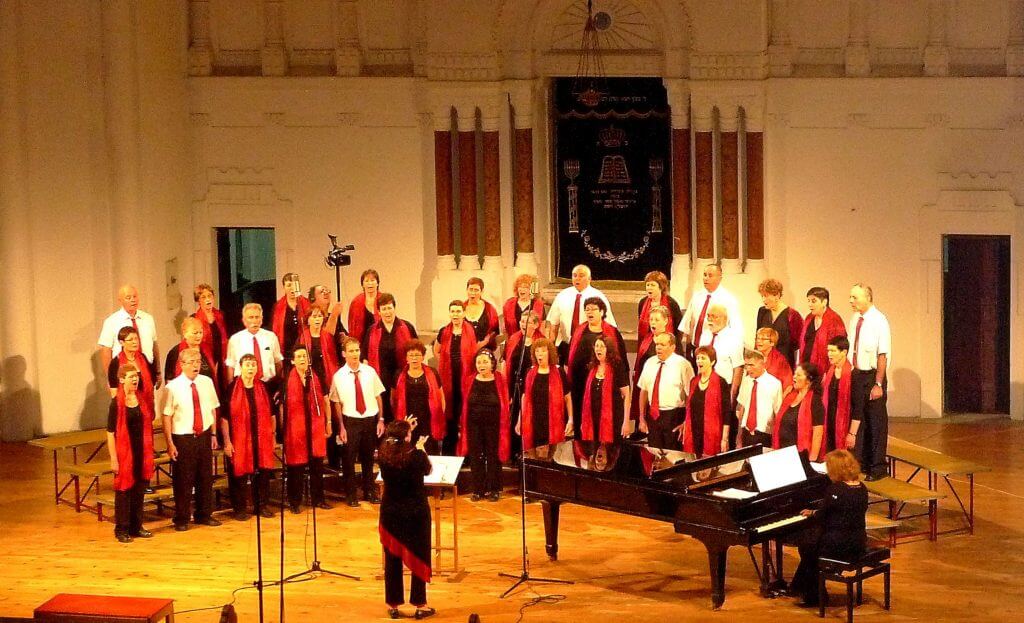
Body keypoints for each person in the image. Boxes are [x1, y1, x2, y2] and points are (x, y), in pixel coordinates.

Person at [788, 449, 868, 608]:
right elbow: (840, 510)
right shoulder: (862, 488)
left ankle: (815, 596)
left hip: (839, 545)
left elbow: (822, 516)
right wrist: (817, 512)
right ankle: (801, 587)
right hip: (858, 540)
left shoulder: (836, 489)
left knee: (807, 548)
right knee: (809, 548)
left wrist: (812, 514)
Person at [378, 419, 435, 620]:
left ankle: (393, 604)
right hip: (415, 513)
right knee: (419, 555)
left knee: (392, 559)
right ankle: (420, 604)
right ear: (407, 438)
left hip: (391, 513)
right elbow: (428, 470)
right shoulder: (417, 456)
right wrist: (420, 448)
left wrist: (404, 428)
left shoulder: (384, 456)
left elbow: (396, 443)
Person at [162, 348, 221, 531]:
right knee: (184, 480)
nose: (196, 365)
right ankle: (181, 518)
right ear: (182, 364)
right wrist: (170, 443)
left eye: (198, 361)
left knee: (205, 477)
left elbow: (212, 409)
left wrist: (213, 434)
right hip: (183, 437)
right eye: (192, 362)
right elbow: (166, 416)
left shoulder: (207, 382)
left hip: (203, 434)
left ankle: (204, 514)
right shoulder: (172, 387)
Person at [331, 337, 386, 506]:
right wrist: (341, 426)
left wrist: (380, 420)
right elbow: (337, 403)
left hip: (369, 419)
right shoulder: (338, 376)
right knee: (349, 459)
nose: (355, 354)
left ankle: (369, 491)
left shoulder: (370, 372)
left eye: (357, 350)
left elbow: (378, 396)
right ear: (344, 354)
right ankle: (351, 494)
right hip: (350, 420)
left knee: (368, 458)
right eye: (351, 351)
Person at [221, 354, 276, 521]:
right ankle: (239, 509)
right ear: (241, 367)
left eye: (253, 365)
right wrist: (227, 441)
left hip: (262, 439)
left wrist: (272, 436)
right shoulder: (231, 389)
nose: (251, 368)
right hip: (239, 439)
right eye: (247, 365)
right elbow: (224, 418)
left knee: (263, 474)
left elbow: (272, 415)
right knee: (239, 475)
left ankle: (261, 506)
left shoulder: (264, 387)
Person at [105, 364, 155, 543]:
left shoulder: (141, 399)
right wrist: (113, 458)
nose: (135, 379)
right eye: (131, 376)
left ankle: (136, 526)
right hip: (125, 453)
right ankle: (121, 529)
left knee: (139, 490)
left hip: (142, 450)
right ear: (121, 379)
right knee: (124, 491)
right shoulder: (116, 403)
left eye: (136, 376)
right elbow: (110, 432)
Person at [847, 284, 891, 480]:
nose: (851, 301)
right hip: (857, 373)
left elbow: (882, 354)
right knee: (860, 419)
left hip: (873, 376)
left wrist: (878, 384)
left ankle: (878, 467)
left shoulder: (879, 320)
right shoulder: (855, 319)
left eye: (855, 297)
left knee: (876, 422)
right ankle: (862, 463)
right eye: (851, 297)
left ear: (867, 297)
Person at [457, 349, 511, 502]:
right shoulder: (469, 380)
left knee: (493, 455)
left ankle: (494, 489)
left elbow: (505, 403)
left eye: (485, 362)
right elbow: (465, 403)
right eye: (479, 362)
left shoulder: (499, 380)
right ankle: (478, 490)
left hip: (494, 425)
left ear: (492, 364)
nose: (482, 365)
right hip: (473, 424)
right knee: (476, 456)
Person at [567, 297, 628, 429]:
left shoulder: (612, 332)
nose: (590, 312)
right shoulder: (579, 331)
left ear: (601, 311)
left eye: (593, 309)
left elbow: (622, 360)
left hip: (604, 385)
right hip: (580, 385)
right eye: (587, 309)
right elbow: (571, 357)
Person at [283, 346, 332, 513]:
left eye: (305, 356)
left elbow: (325, 401)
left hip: (315, 427)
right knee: (296, 467)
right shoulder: (287, 380)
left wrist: (328, 422)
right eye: (299, 356)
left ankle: (318, 499)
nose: (303, 359)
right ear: (292, 361)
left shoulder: (315, 377)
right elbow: (283, 408)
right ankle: (294, 502)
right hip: (296, 429)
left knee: (317, 465)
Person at [363, 292, 418, 424]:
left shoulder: (407, 327)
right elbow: (365, 357)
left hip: (402, 376)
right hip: (380, 377)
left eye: (389, 308)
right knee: (384, 410)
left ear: (394, 308)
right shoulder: (372, 330)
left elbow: (417, 351)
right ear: (379, 312)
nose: (387, 312)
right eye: (383, 309)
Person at [546, 264, 616, 363]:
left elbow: (609, 326)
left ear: (589, 278)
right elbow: (554, 324)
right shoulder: (562, 295)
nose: (577, 278)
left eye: (581, 275)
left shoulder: (598, 297)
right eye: (574, 275)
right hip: (566, 345)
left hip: (590, 346)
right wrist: (552, 348)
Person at [433, 300, 477, 456]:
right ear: (449, 313)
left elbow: (474, 354)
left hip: (466, 380)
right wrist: (445, 366)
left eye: (458, 311)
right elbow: (436, 351)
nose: (455, 314)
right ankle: (449, 452)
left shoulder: (471, 331)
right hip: (448, 382)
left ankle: (465, 453)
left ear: (464, 313)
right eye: (453, 311)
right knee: (450, 418)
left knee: (464, 415)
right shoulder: (444, 331)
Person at [696, 304, 744, 441]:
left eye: (714, 316)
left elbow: (738, 368)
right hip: (704, 384)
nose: (710, 319)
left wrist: (732, 395)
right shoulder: (705, 335)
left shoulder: (733, 338)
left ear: (724, 319)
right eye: (708, 316)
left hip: (724, 388)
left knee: (722, 427)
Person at [637, 333, 694, 450]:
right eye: (657, 344)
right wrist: (642, 418)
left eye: (662, 345)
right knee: (654, 453)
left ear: (672, 347)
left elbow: (691, 396)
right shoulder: (650, 363)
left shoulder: (683, 365)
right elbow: (644, 391)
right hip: (653, 416)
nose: (658, 347)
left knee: (673, 455)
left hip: (674, 416)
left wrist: (686, 421)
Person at [516, 338, 572, 452]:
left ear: (549, 353)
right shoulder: (530, 372)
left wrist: (571, 419)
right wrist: (519, 420)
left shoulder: (559, 371)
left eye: (543, 351)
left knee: (551, 451)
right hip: (534, 420)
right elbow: (524, 397)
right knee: (533, 452)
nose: (539, 354)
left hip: (553, 421)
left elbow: (567, 397)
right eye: (537, 351)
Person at [631, 305, 683, 429]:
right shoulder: (647, 339)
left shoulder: (672, 342)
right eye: (651, 319)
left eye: (657, 320)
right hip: (647, 386)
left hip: (666, 397)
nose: (653, 322)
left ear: (665, 321)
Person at [98, 285, 160, 386]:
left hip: (147, 371)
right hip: (124, 374)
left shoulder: (148, 318)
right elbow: (106, 351)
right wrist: (111, 379)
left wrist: (158, 372)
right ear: (120, 300)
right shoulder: (111, 321)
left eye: (135, 297)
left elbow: (154, 346)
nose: (133, 300)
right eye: (128, 298)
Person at [392, 340, 445, 455]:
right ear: (406, 357)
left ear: (423, 357)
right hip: (407, 421)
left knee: (430, 453)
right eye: (411, 355)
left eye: (417, 355)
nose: (414, 358)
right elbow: (393, 399)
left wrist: (439, 415)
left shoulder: (433, 372)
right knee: (408, 453)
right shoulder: (398, 374)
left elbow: (441, 397)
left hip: (429, 420)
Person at [679, 264, 742, 356]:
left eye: (710, 275)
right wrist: (685, 338)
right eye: (705, 275)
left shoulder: (728, 299)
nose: (706, 278)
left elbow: (735, 327)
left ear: (720, 278)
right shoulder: (697, 295)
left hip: (714, 348)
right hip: (694, 346)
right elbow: (688, 320)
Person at [680, 346, 731, 458]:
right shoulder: (694, 381)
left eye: (703, 358)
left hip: (712, 433)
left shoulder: (721, 382)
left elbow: (727, 413)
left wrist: (724, 438)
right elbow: (689, 408)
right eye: (698, 358)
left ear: (712, 361)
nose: (699, 361)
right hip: (693, 431)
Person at [578, 337, 631, 444]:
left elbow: (626, 395)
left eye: (602, 346)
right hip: (592, 419)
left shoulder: (617, 367)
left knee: (611, 451)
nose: (598, 349)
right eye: (597, 346)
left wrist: (626, 421)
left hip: (613, 420)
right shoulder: (591, 367)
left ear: (609, 349)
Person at [225, 303, 284, 390]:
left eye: (257, 317)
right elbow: (231, 365)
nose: (254, 321)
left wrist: (278, 385)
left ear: (262, 319)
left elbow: (278, 362)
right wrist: (231, 388)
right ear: (244, 320)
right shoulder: (235, 339)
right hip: (243, 386)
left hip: (268, 384)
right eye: (251, 317)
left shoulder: (271, 337)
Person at [773, 362, 825, 461]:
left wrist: (812, 459)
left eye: (799, 375)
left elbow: (818, 432)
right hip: (782, 451)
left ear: (809, 380)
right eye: (794, 374)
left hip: (801, 456)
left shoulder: (815, 401)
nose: (794, 377)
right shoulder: (790, 396)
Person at [735, 349, 783, 449]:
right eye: (746, 365)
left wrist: (776, 441)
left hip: (764, 433)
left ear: (762, 364)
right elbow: (742, 409)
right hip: (746, 432)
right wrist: (739, 437)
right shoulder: (746, 381)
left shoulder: (774, 384)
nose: (748, 369)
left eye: (751, 365)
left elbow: (778, 413)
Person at [755, 278, 803, 368]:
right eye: (762, 296)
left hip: (784, 364)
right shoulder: (762, 311)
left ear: (776, 295)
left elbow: (799, 346)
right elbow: (757, 338)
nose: (763, 299)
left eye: (766, 296)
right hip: (765, 364)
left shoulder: (792, 315)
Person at [800, 287, 846, 373]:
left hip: (825, 370)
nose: (810, 304)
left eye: (813, 301)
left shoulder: (834, 320)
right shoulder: (809, 318)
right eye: (808, 301)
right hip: (807, 368)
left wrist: (830, 372)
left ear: (824, 302)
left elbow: (839, 349)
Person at [164, 317, 218, 389]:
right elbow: (169, 380)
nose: (198, 336)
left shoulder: (207, 349)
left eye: (200, 332)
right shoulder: (175, 352)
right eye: (195, 333)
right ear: (185, 333)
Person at [822, 336, 855, 455]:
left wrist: (852, 433)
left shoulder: (853, 373)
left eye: (833, 351)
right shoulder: (830, 371)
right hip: (829, 419)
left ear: (844, 352)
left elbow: (857, 407)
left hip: (845, 423)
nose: (829, 354)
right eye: (828, 351)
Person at [192, 284, 229, 384]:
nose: (208, 299)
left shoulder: (221, 315)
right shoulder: (194, 319)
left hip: (222, 356)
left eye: (210, 296)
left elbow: (227, 337)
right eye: (203, 297)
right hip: (206, 360)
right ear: (198, 301)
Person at [106, 326, 156, 400]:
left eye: (136, 339)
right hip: (126, 404)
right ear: (121, 342)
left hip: (145, 404)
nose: (135, 342)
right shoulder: (116, 363)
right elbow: (114, 390)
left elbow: (152, 381)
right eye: (130, 340)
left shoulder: (143, 358)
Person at [637, 270, 683, 348]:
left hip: (667, 342)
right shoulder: (642, 302)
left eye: (653, 285)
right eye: (648, 285)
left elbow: (678, 327)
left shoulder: (671, 303)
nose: (649, 288)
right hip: (647, 342)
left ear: (661, 287)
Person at [272, 272, 311, 363]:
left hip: (303, 349)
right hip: (286, 350)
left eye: (295, 285)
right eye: (289, 285)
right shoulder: (278, 307)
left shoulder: (306, 304)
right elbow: (275, 330)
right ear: (284, 287)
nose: (292, 288)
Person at [502, 273, 545, 338]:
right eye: (520, 286)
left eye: (526, 287)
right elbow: (505, 328)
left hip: (533, 341)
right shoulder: (509, 304)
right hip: (514, 342)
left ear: (532, 290)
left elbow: (542, 328)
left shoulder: (539, 305)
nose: (522, 289)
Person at [463, 277, 500, 351]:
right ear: (467, 290)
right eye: (471, 289)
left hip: (486, 350)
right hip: (465, 351)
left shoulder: (490, 309)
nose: (473, 293)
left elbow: (495, 331)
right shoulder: (461, 308)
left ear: (482, 291)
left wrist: (484, 342)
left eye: (476, 290)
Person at [347, 268, 381, 346]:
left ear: (377, 283)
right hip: (361, 344)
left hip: (380, 343)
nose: (370, 283)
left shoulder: (383, 300)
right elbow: (352, 325)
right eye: (366, 281)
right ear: (362, 284)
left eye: (372, 280)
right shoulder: (356, 302)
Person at [755, 327, 794, 391]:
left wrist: (779, 399)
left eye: (763, 339)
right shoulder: (754, 356)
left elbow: (788, 385)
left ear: (772, 343)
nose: (758, 341)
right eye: (758, 338)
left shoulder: (780, 360)